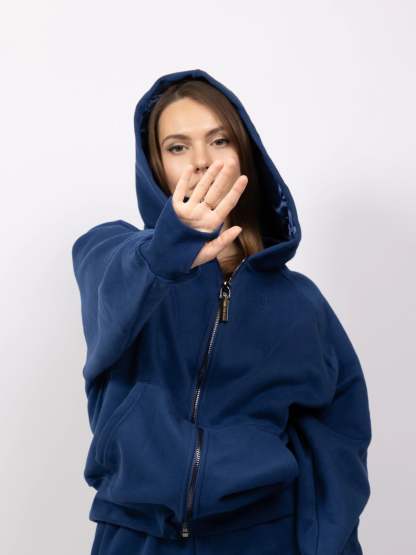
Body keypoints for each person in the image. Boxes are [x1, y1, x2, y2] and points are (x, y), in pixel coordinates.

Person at [72, 68, 372, 555]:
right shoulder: (114, 256)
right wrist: (171, 247)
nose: (202, 162)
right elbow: (115, 287)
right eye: (177, 147)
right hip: (136, 536)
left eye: (219, 140)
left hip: (263, 536)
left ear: (244, 153)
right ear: (155, 165)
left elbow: (337, 451)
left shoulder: (301, 302)